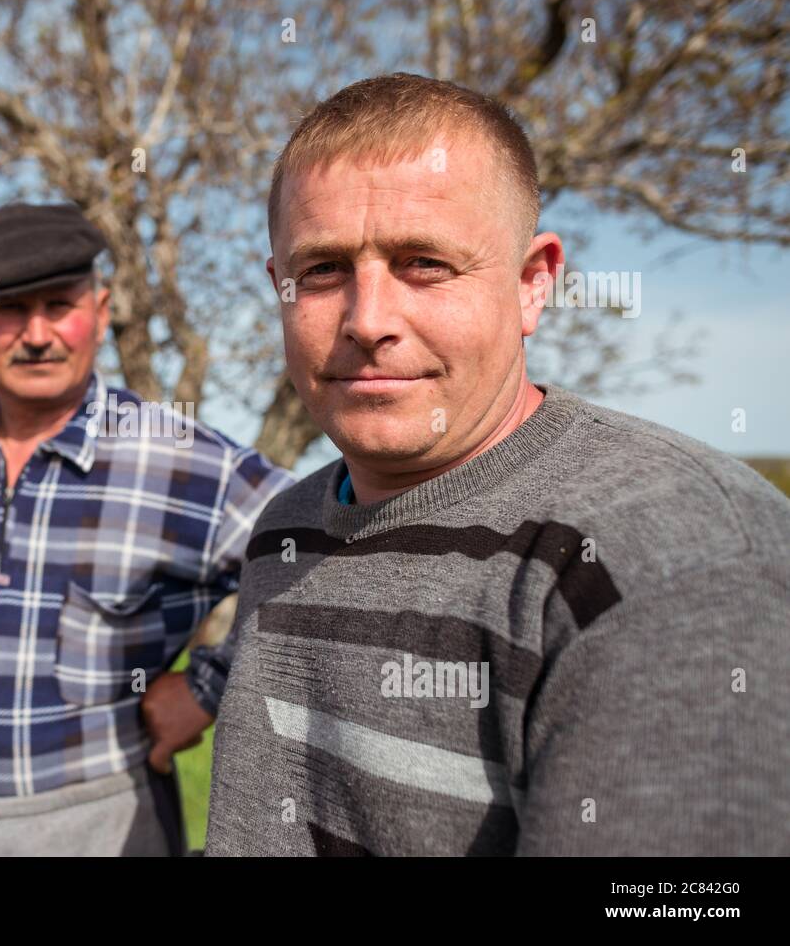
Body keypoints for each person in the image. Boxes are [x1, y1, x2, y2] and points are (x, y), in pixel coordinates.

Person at [205, 73, 790, 856]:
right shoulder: (289, 524)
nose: (368, 319)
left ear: (531, 285)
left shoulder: (666, 561)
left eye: (424, 263)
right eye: (322, 270)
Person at [0, 202, 295, 855]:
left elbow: (324, 553)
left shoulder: (174, 457)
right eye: (8, 309)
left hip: (100, 823)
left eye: (59, 305)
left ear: (103, 310)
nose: (36, 334)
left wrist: (208, 684)